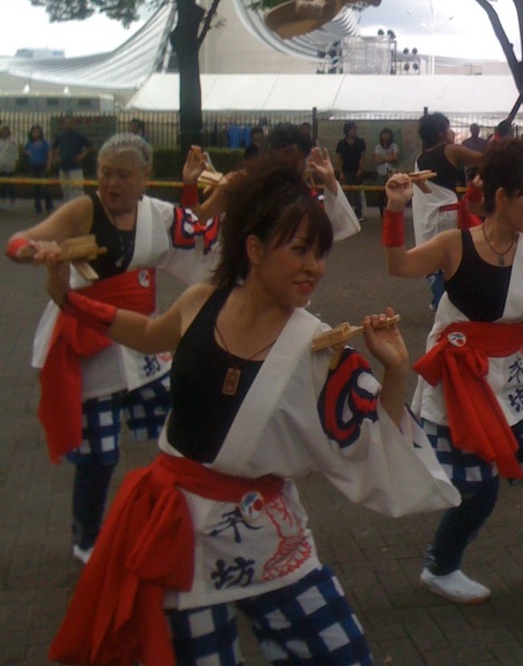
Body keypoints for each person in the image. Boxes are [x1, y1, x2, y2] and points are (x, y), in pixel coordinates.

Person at [45, 160, 458, 666]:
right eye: (299, 249)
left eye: (320, 252)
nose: (315, 266)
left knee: (340, 654)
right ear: (255, 250)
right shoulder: (202, 301)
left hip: (265, 528)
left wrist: (395, 370)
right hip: (181, 527)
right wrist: (72, 301)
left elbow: (369, 437)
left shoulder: (317, 346)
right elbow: (151, 335)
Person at [383, 141, 523, 604]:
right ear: (502, 197)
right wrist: (394, 210)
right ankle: (440, 568)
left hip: (513, 381)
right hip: (459, 383)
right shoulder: (453, 244)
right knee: (477, 490)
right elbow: (398, 266)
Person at [6, 134, 225, 564]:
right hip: (90, 344)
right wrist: (38, 251)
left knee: (186, 426)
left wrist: (220, 192)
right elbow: (18, 243)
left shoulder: (154, 214)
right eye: (105, 173)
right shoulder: (82, 210)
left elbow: (192, 227)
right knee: (99, 454)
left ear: (144, 179)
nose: (111, 183)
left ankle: (190, 517)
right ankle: (86, 539)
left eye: (123, 175)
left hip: (142, 346)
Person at [413, 113, 484, 311]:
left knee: (434, 260)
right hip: (448, 215)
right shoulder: (450, 149)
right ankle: (449, 303)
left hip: (428, 217)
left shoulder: (420, 158)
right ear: (441, 133)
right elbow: (483, 159)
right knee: (453, 258)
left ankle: (441, 299)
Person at [267, 122, 360, 240]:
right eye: (283, 156)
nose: (289, 164)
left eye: (296, 158)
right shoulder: (256, 193)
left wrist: (330, 180)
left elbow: (338, 227)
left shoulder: (310, 198)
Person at [51, 117, 93, 202]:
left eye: (70, 123)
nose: (68, 125)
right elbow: (54, 147)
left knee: (77, 188)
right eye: (66, 123)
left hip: (75, 167)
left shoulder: (78, 136)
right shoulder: (60, 136)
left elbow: (89, 147)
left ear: (73, 125)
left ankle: (79, 205)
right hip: (63, 166)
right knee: (65, 188)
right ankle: (67, 206)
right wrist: (56, 157)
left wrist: (82, 155)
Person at [335, 120, 366, 222]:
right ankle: (346, 214)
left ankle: (358, 214)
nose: (355, 131)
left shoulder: (360, 142)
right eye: (352, 129)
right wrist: (341, 172)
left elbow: (362, 157)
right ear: (347, 130)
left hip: (356, 170)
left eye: (355, 128)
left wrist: (360, 169)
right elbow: (339, 158)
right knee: (345, 193)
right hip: (346, 170)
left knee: (357, 193)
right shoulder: (341, 143)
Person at [24, 124, 54, 215]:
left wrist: (49, 164)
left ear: (40, 133)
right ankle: (38, 208)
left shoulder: (44, 143)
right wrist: (29, 154)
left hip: (42, 166)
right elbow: (25, 150)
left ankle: (49, 206)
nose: (35, 134)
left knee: (44, 186)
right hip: (34, 166)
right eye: (34, 132)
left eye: (37, 132)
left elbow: (49, 153)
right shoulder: (30, 143)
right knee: (36, 187)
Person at [374, 127, 399, 218]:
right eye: (384, 134)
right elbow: (377, 160)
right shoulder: (378, 146)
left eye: (387, 134)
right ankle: (381, 213)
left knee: (391, 193)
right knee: (381, 193)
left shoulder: (394, 146)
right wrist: (388, 157)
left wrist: (383, 158)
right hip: (381, 172)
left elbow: (395, 158)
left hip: (391, 172)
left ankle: (391, 212)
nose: (385, 136)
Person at [0, 123, 20, 208]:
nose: (4, 132)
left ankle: (11, 201)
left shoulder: (12, 141)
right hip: (0, 166)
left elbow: (16, 153)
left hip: (9, 166)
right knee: (1, 185)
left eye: (5, 130)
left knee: (9, 184)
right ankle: (2, 200)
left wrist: (15, 162)